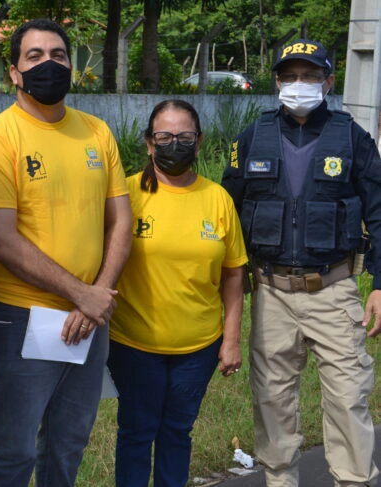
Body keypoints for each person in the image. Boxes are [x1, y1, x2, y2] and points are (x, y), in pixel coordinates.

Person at [0, 18, 133, 487]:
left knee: (68, 441)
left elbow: (120, 220)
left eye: (58, 56)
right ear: (14, 73)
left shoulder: (97, 133)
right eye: (35, 56)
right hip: (21, 316)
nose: (48, 65)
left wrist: (96, 294)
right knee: (11, 448)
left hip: (91, 315)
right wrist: (81, 292)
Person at [221, 38, 381, 487]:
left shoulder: (352, 137)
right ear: (276, 82)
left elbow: (379, 212)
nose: (298, 84)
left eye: (309, 76)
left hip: (333, 290)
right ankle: (278, 480)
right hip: (271, 291)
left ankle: (353, 480)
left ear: (329, 82)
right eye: (289, 76)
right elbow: (226, 208)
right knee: (272, 400)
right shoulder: (253, 135)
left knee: (349, 397)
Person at [108, 99, 247, 487]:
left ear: (199, 141)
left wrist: (231, 339)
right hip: (134, 344)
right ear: (149, 143)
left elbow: (234, 274)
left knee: (177, 432)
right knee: (136, 432)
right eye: (164, 137)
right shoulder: (124, 194)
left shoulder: (217, 198)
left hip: (197, 348)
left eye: (184, 136)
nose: (174, 144)